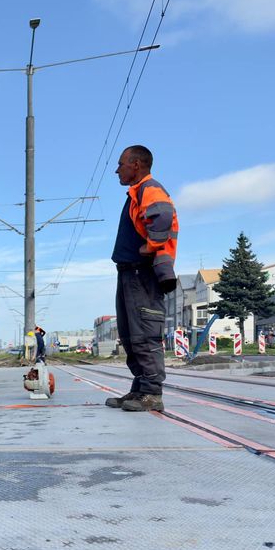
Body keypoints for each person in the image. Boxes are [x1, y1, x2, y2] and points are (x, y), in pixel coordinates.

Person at [106, 145, 178, 412]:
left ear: (136, 165)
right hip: (129, 273)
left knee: (145, 334)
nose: (117, 169)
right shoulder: (137, 193)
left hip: (142, 274)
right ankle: (139, 389)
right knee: (129, 334)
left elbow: (163, 215)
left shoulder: (151, 189)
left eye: (121, 163)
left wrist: (152, 245)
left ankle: (151, 394)